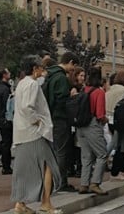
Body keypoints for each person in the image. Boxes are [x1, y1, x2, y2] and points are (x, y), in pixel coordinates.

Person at [11, 55, 63, 214]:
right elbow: (28, 108)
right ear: (34, 69)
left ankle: (21, 203)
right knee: (49, 165)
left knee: (25, 169)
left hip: (22, 133)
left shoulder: (21, 84)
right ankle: (46, 203)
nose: (43, 69)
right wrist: (38, 122)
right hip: (35, 133)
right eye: (41, 66)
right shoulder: (32, 84)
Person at [44, 51, 80, 192]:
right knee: (61, 152)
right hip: (60, 119)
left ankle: (53, 181)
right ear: (70, 62)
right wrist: (71, 97)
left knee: (54, 151)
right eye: (74, 67)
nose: (73, 70)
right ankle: (60, 183)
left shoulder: (50, 75)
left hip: (51, 117)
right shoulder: (61, 78)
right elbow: (62, 101)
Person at [76, 67, 108, 195]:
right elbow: (100, 114)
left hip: (81, 126)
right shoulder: (99, 92)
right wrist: (105, 120)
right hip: (93, 125)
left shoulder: (84, 90)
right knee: (102, 154)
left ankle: (84, 184)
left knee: (86, 156)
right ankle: (95, 183)